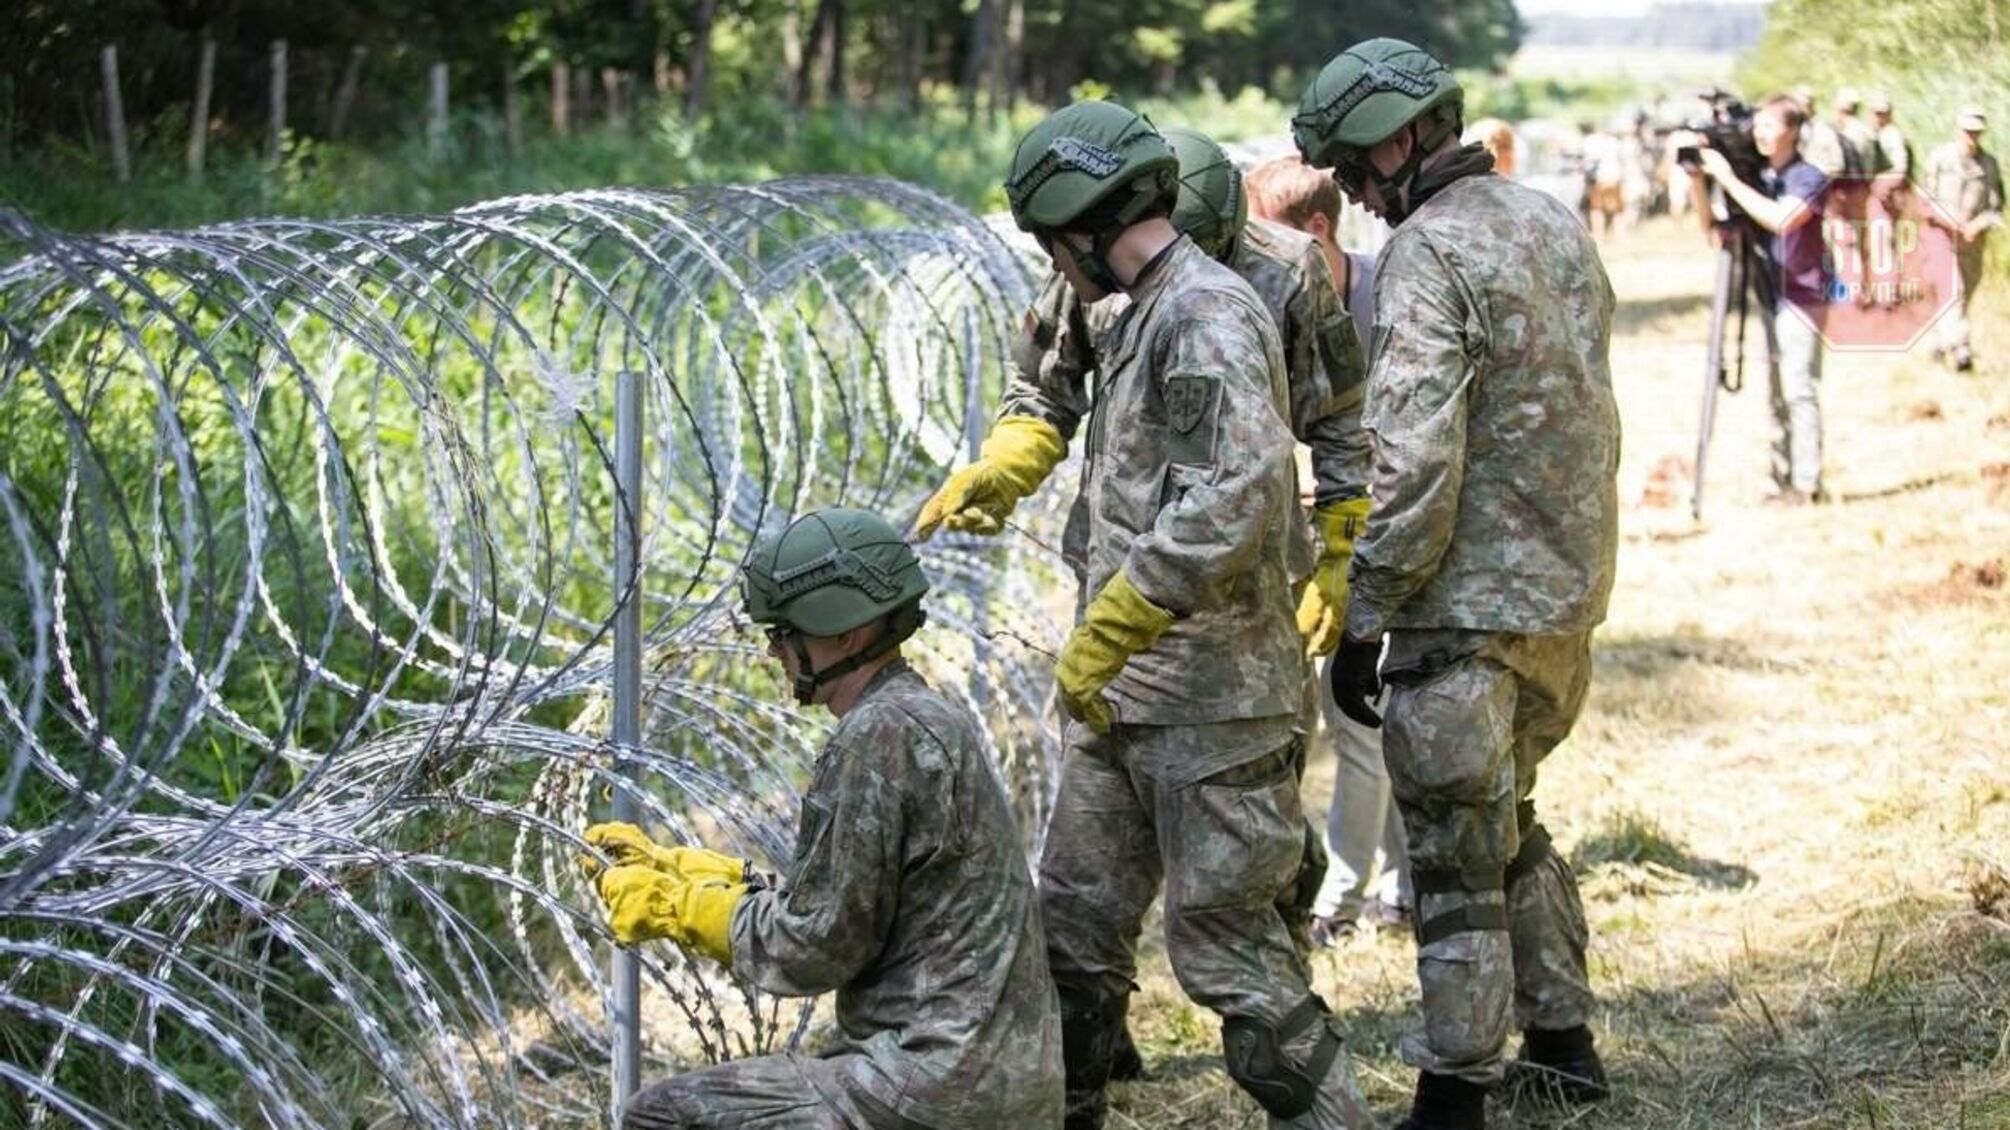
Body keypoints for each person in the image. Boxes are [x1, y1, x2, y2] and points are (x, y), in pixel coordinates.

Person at [919, 99, 1374, 1130]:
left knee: (1232, 954)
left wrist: (1129, 612)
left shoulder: (1212, 309)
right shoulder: (1119, 290)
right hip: (1118, 688)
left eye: (1052, 243)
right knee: (1073, 932)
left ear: (1085, 226)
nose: (1054, 265)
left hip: (1216, 694)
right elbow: (1048, 392)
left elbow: (1236, 493)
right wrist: (1011, 463)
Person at [1295, 38, 1620, 1130]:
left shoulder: (1426, 252)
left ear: (1403, 139)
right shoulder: (1551, 219)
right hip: (1564, 593)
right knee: (1509, 819)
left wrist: (1367, 609)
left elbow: (1415, 461)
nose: (1352, 190)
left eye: (1355, 166)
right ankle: (1564, 1044)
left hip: (1465, 608)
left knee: (1453, 859)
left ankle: (1453, 1096)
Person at [578, 507, 1064, 1130]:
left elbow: (816, 948)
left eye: (785, 632)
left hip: (932, 1086)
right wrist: (709, 877)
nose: (773, 650)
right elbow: (859, 904)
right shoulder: (922, 717)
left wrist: (683, 909)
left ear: (845, 633)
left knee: (661, 1116)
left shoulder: (876, 737)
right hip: (994, 1077)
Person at [1244, 153, 1414, 944]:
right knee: (1357, 719)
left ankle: (1345, 900)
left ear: (1317, 230)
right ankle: (1394, 888)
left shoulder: (1392, 299)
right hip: (1317, 537)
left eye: (1267, 238)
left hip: (1391, 534)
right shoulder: (1276, 303)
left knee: (1364, 719)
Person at [1686, 95, 1832, 504]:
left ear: (1793, 130)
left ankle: (1808, 484)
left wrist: (1729, 179)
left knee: (1798, 389)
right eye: (1758, 126)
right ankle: (1781, 478)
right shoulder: (1759, 178)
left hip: (1802, 296)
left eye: (1770, 126)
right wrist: (1698, 181)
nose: (1761, 134)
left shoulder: (1807, 177)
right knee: (1777, 392)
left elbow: (1782, 220)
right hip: (1770, 294)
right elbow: (1713, 230)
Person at [1923, 105, 2004, 371]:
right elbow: (1925, 199)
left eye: (1976, 132)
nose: (1972, 137)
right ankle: (1962, 349)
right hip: (1941, 237)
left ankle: (1938, 342)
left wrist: (1978, 225)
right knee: (1953, 292)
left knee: (1964, 295)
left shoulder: (1989, 165)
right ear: (1959, 129)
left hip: (1972, 243)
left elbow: (1996, 208)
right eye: (1968, 131)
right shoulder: (1940, 158)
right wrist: (1950, 221)